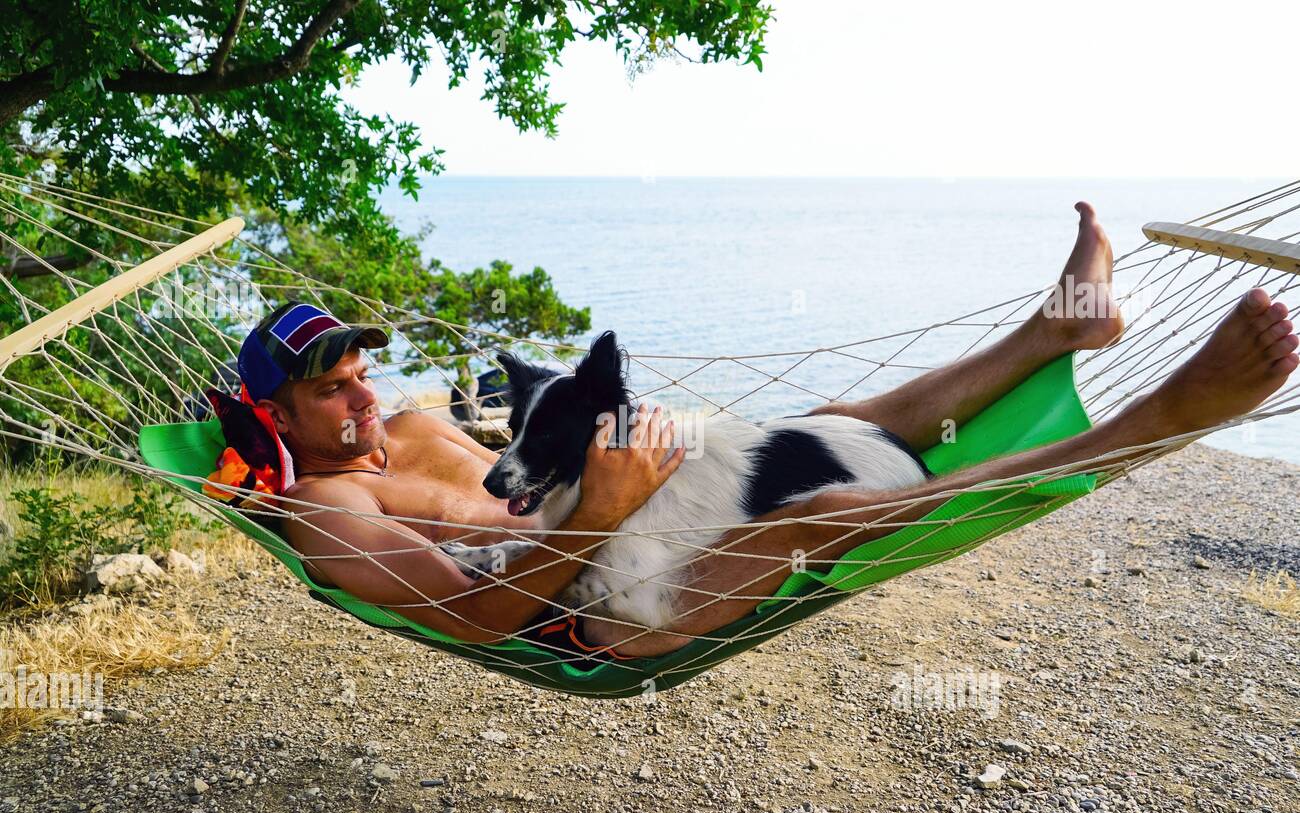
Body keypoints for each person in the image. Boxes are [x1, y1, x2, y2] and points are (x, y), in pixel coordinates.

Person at [244, 204, 1296, 664]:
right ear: (276, 415)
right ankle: (1150, 425)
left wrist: (629, 463)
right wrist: (607, 503)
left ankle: (1058, 329)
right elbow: (477, 614)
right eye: (331, 393)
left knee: (823, 423)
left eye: (360, 373)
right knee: (818, 514)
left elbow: (541, 474)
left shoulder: (417, 423)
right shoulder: (326, 509)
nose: (364, 399)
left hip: (617, 525)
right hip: (594, 612)